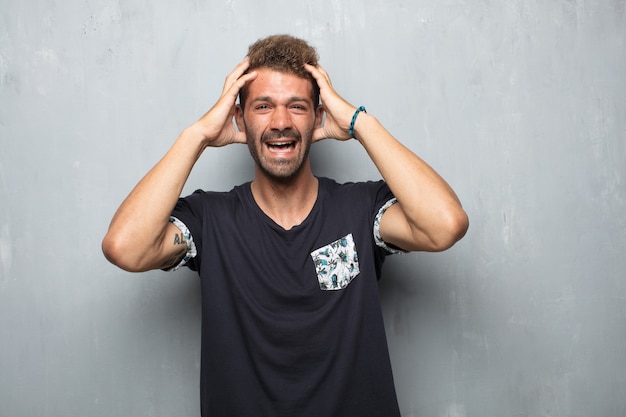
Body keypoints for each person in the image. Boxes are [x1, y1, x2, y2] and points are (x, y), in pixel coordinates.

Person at [102, 34, 468, 417]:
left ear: (318, 118)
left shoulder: (360, 209)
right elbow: (125, 247)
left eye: (297, 106)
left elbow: (445, 225)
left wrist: (361, 124)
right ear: (239, 118)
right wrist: (196, 136)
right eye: (263, 106)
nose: (281, 122)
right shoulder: (210, 219)